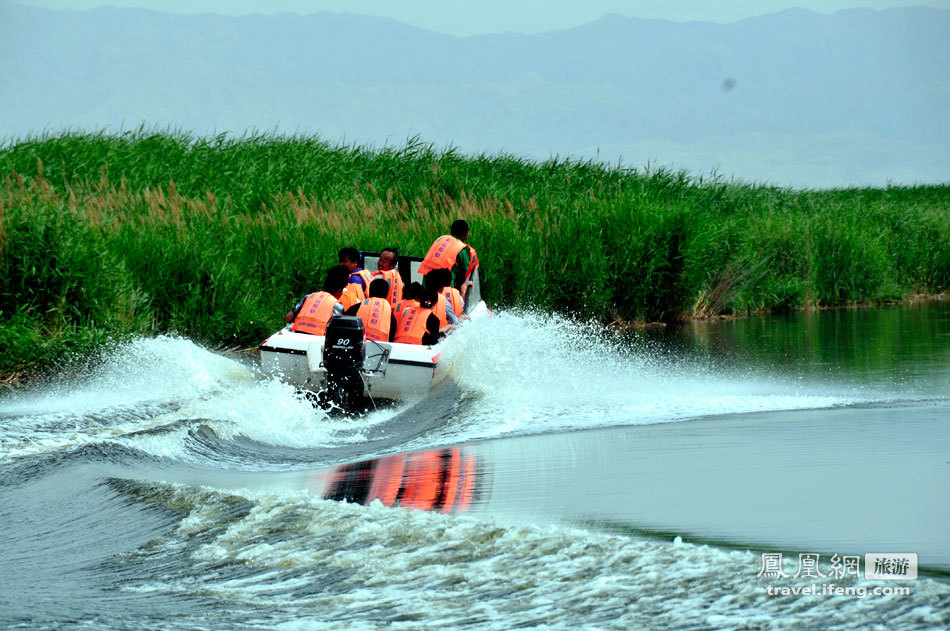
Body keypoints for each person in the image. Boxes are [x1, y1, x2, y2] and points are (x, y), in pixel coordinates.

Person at [417, 219, 478, 299]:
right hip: (445, 283)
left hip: (427, 279)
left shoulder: (441, 239)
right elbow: (465, 271)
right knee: (447, 306)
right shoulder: (462, 249)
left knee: (426, 302)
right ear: (465, 235)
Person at [285, 265, 349, 335]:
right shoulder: (337, 306)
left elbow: (288, 317)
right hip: (318, 337)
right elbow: (336, 331)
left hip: (298, 332)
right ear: (339, 291)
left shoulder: (308, 297)